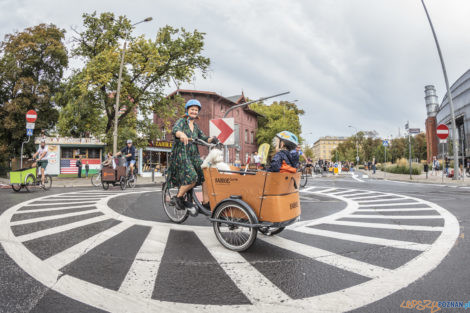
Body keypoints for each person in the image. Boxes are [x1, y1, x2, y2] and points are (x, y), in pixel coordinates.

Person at [166, 99, 218, 214]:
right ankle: (178, 197)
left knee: (206, 174)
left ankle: (205, 202)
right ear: (187, 110)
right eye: (192, 109)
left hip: (193, 155)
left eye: (196, 110)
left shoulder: (195, 126)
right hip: (181, 155)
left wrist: (212, 139)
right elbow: (176, 130)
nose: (194, 112)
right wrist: (182, 134)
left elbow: (204, 138)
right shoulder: (181, 121)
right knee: (193, 177)